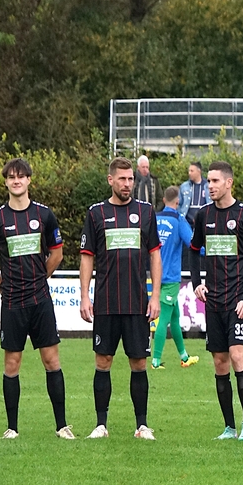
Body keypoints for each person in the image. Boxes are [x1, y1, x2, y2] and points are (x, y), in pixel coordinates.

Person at [0, 158, 75, 440]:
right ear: (6, 182)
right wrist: (2, 285)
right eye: (11, 177)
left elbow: (57, 253)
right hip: (12, 302)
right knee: (12, 364)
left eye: (21, 176)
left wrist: (39, 278)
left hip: (40, 299)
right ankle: (12, 428)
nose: (16, 181)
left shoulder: (44, 215)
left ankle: (62, 426)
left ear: (29, 180)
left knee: (52, 361)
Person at [80, 156, 162, 439]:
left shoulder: (146, 211)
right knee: (103, 361)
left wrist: (155, 296)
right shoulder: (96, 213)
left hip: (137, 302)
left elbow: (155, 255)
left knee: (139, 363)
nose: (127, 184)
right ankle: (101, 425)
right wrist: (85, 296)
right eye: (122, 179)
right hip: (106, 302)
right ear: (110, 180)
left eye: (131, 179)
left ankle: (142, 426)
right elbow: (87, 257)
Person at [190, 160, 243, 441]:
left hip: (237, 302)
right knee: (220, 362)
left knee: (237, 356)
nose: (210, 186)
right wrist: (196, 284)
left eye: (215, 181)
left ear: (229, 183)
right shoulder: (203, 215)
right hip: (214, 302)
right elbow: (194, 250)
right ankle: (229, 427)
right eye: (208, 181)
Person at [153, 186, 199, 370]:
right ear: (178, 201)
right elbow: (193, 243)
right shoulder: (179, 220)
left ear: (164, 200)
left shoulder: (154, 218)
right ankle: (155, 361)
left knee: (175, 317)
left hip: (155, 274)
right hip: (170, 277)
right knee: (164, 318)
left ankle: (184, 357)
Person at [178, 162, 210, 227]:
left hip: (203, 222)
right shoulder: (184, 186)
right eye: (189, 171)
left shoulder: (208, 186)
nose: (189, 173)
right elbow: (179, 204)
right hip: (187, 222)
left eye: (192, 171)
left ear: (199, 171)